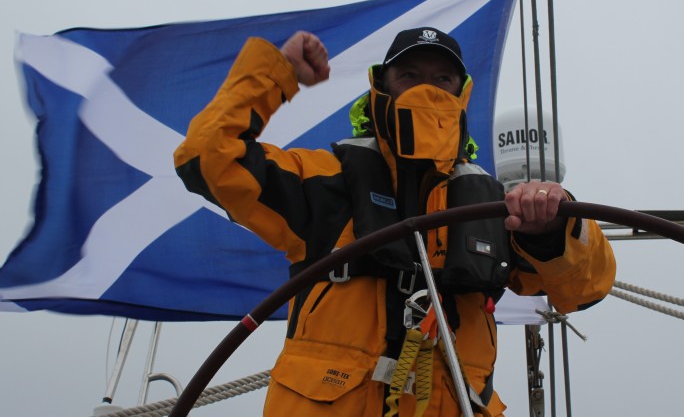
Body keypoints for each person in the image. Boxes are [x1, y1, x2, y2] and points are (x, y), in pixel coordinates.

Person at [174, 27, 616, 416]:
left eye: (443, 78)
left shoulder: (496, 206)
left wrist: (556, 225)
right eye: (410, 76)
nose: (429, 90)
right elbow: (208, 157)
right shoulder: (324, 180)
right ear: (379, 87)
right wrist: (278, 73)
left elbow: (584, 289)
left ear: (462, 93)